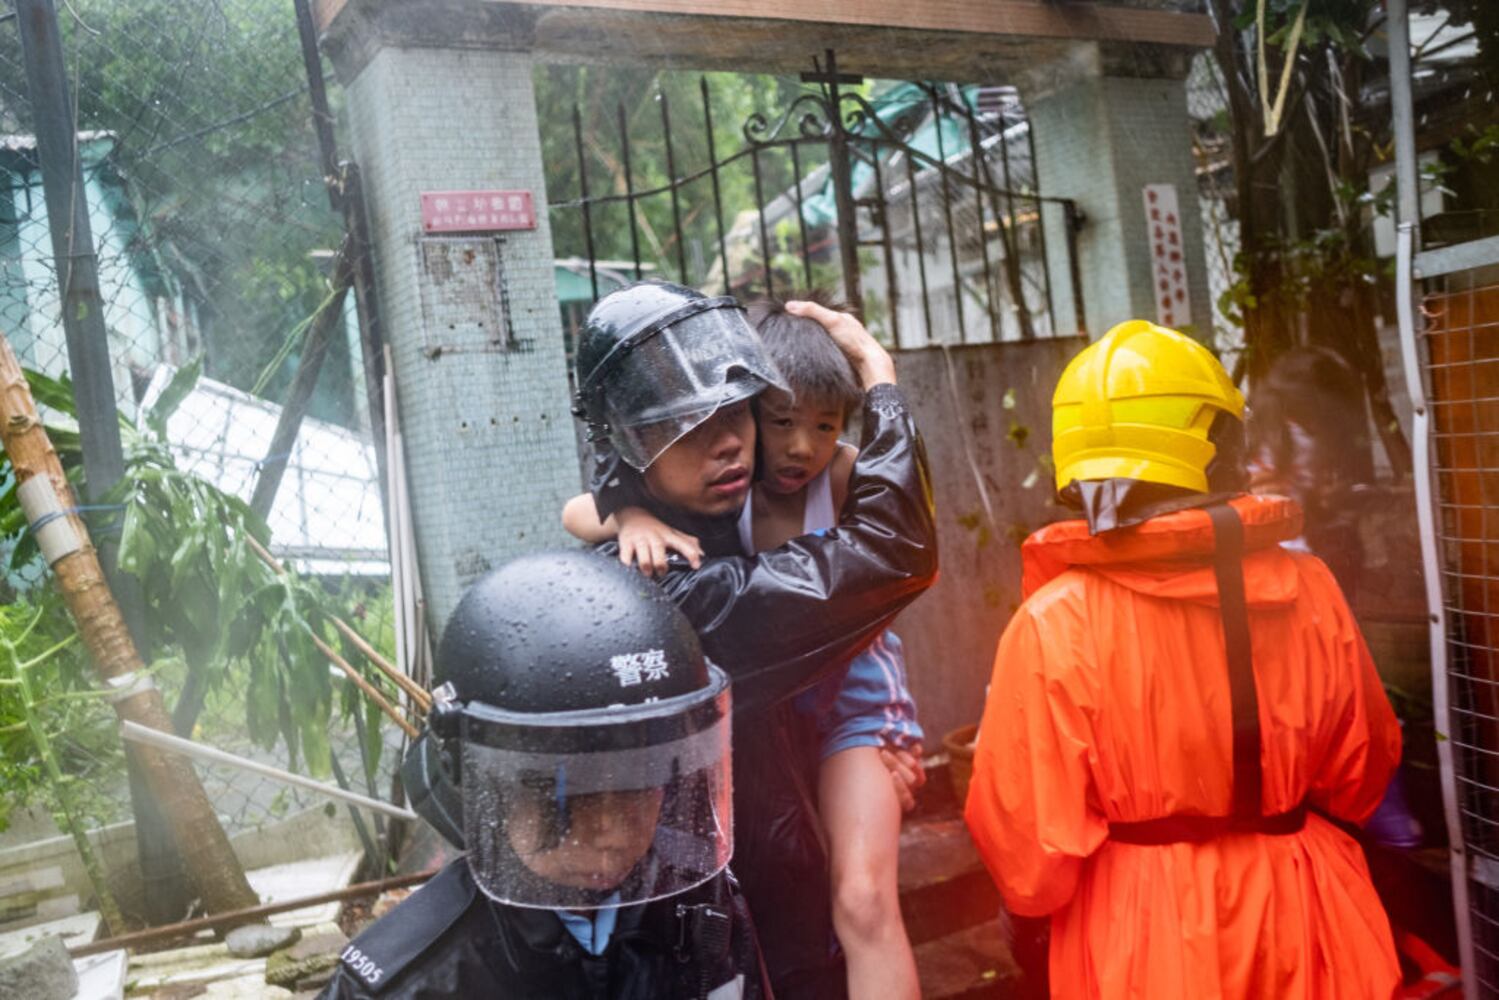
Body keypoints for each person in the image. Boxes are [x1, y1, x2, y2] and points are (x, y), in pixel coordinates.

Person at [964, 319, 1402, 999]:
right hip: (1307, 913)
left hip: (1141, 943)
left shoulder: (1052, 624)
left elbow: (1028, 857)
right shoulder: (1308, 586)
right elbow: (1360, 773)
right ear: (1217, 441)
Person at [568, 280, 939, 998]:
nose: (731, 442)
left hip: (845, 724)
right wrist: (628, 519)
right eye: (687, 426)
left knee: (860, 901)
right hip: (718, 876)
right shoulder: (665, 574)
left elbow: (894, 534)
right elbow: (894, 548)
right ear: (633, 446)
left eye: (733, 413)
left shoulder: (766, 491)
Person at [320, 550, 767, 999]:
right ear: (485, 791)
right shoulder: (413, 981)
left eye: (638, 785)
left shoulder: (697, 905)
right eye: (567, 798)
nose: (611, 831)